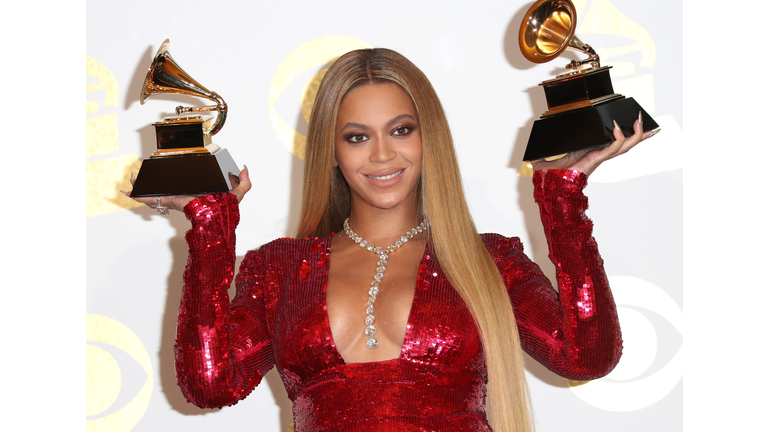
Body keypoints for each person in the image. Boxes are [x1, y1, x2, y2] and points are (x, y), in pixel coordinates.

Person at [128, 48, 655, 432]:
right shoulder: (280, 269)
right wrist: (210, 231)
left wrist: (563, 199)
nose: (382, 155)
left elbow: (588, 357)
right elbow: (209, 384)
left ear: (430, 139)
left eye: (401, 130)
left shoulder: (490, 261)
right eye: (357, 137)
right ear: (332, 152)